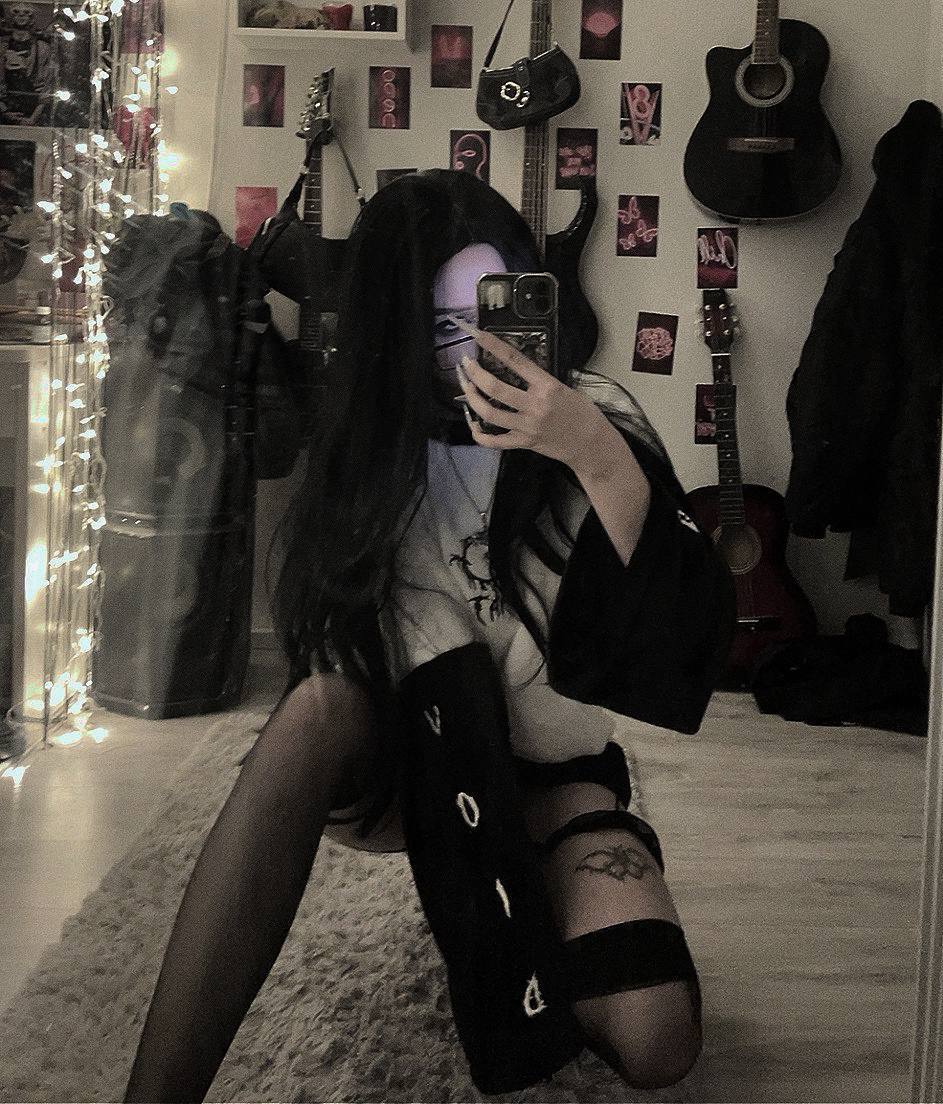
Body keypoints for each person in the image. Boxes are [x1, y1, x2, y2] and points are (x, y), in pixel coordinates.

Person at [123, 168, 735, 1101]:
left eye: (497, 311)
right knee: (317, 706)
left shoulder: (596, 416)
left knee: (657, 1039)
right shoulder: (374, 444)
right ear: (397, 335)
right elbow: (331, 635)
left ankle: (535, 902)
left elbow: (673, 647)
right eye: (447, 326)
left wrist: (593, 456)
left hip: (552, 776)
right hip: (411, 768)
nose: (481, 352)